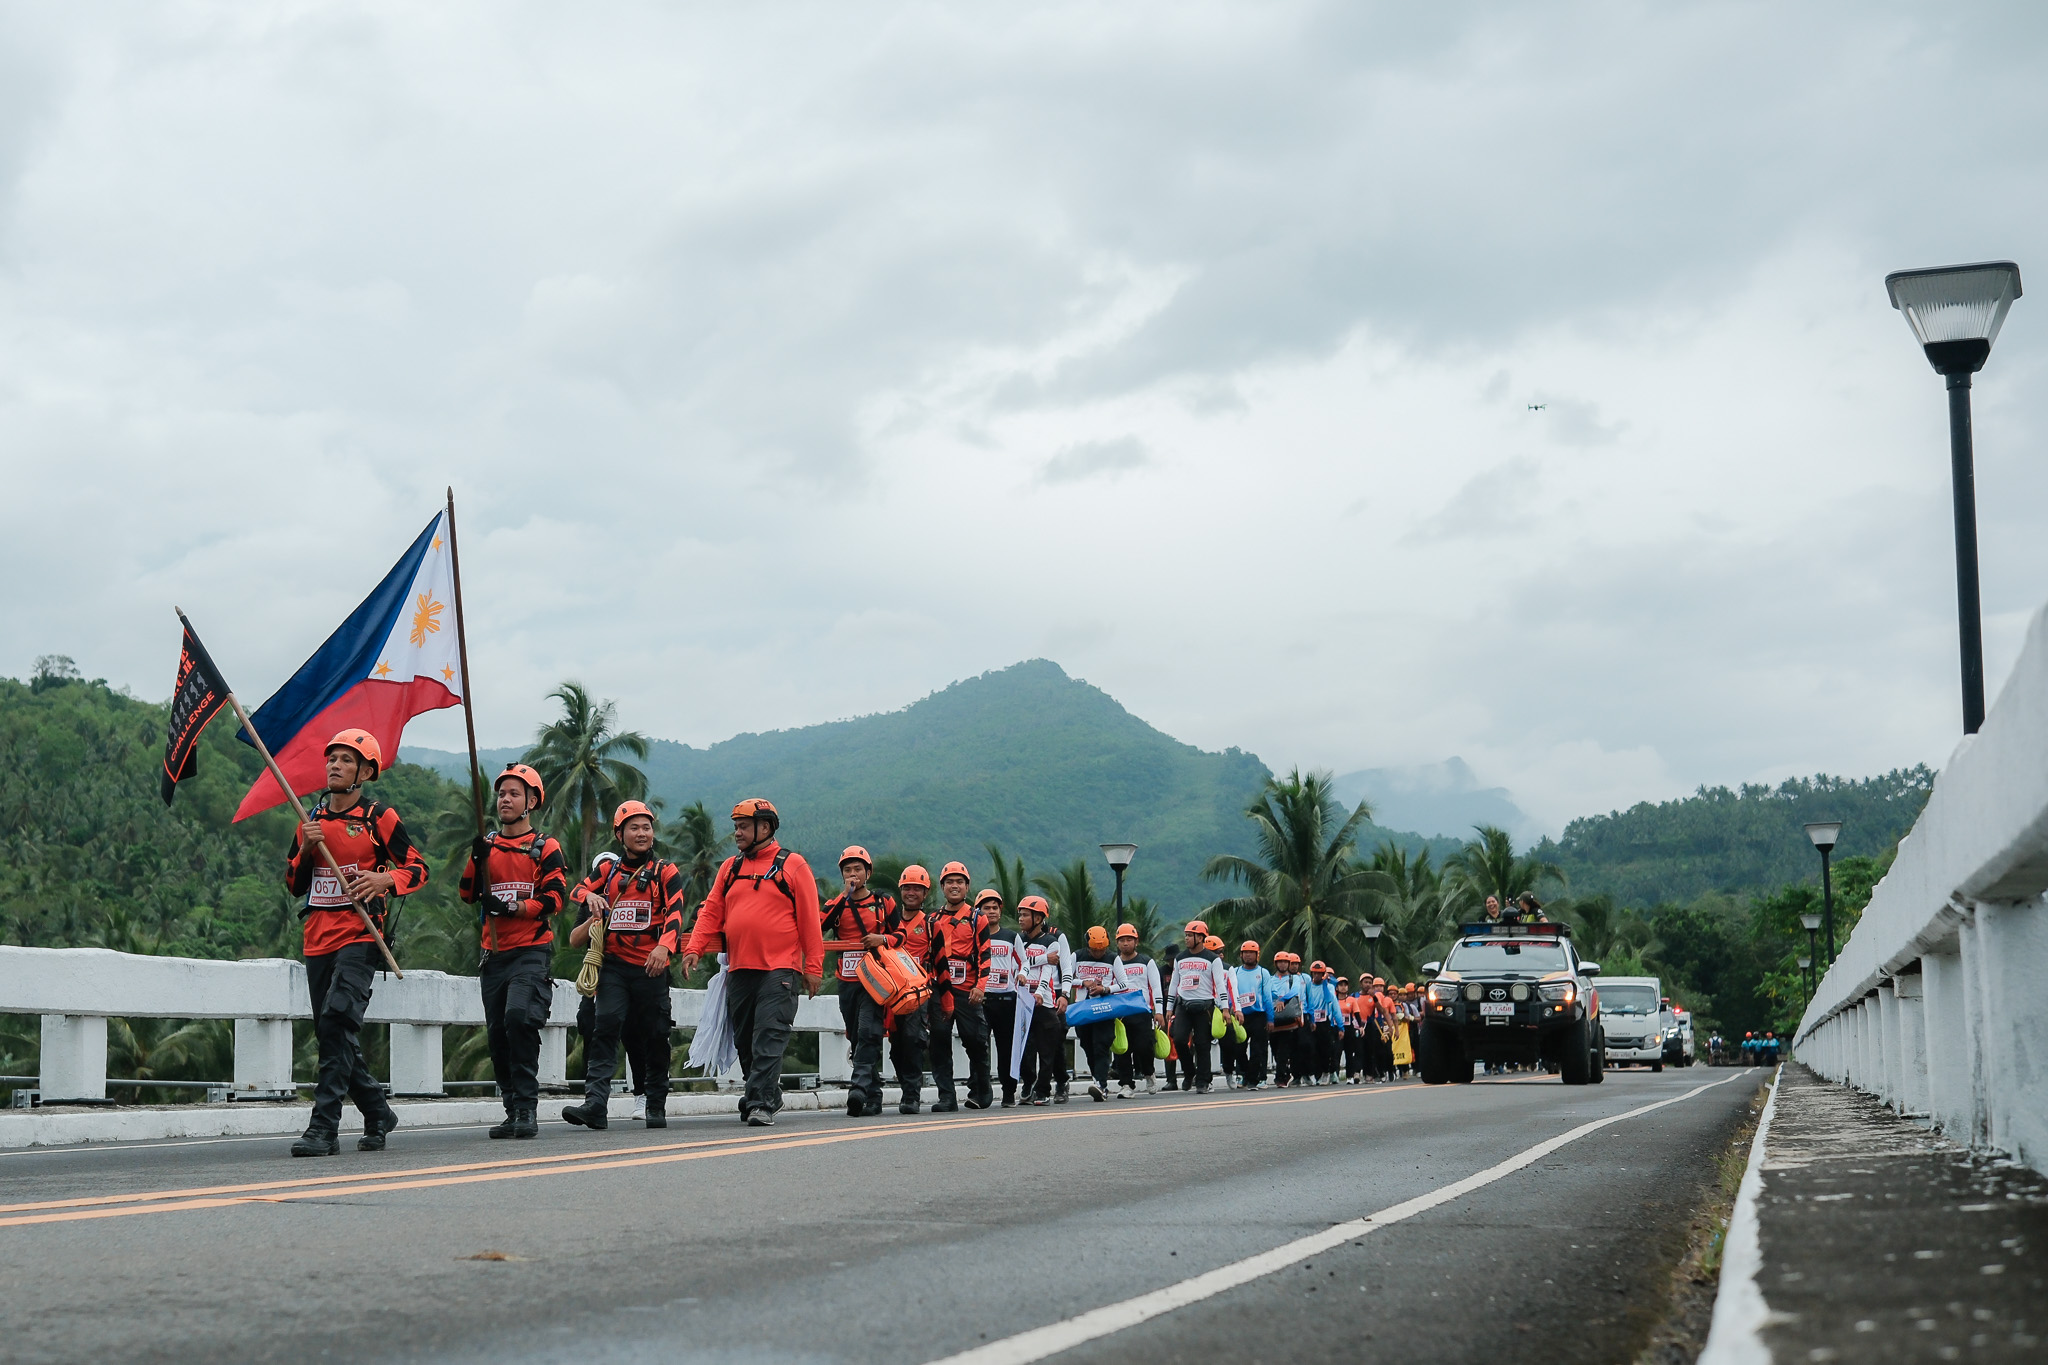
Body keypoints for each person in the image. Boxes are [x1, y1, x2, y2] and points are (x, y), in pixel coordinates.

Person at [285, 730, 427, 1157]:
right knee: (333, 1032)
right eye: (332, 759)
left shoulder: (378, 817)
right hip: (317, 940)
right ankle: (377, 1110)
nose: (334, 766)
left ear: (365, 771)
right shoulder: (308, 818)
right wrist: (306, 850)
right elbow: (294, 884)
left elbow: (418, 868)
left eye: (346, 760)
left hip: (363, 936)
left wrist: (385, 879)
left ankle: (323, 1128)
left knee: (338, 1020)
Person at [679, 798, 823, 1128]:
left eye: (743, 827)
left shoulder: (793, 865)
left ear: (765, 827)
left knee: (768, 1036)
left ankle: (759, 1102)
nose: (737, 833)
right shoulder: (730, 868)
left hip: (781, 968)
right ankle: (766, 1093)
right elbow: (712, 912)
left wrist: (814, 968)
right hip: (740, 968)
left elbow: (810, 921)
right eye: (735, 827)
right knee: (745, 1040)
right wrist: (695, 948)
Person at [460, 763, 569, 1141]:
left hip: (531, 952)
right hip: (494, 954)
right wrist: (476, 862)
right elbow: (466, 893)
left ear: (532, 801)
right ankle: (511, 1109)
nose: (505, 799)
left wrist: (513, 908)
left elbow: (555, 898)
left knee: (519, 1018)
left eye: (514, 793)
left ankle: (527, 1107)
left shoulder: (544, 846)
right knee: (497, 1035)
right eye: (501, 793)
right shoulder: (487, 845)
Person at [562, 800, 683, 1131]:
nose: (642, 833)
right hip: (613, 967)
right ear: (619, 834)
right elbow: (576, 888)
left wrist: (664, 946)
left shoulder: (664, 871)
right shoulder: (608, 871)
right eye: (634, 828)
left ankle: (655, 1104)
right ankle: (595, 1105)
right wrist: (589, 897)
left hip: (651, 967)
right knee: (606, 1025)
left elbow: (676, 911)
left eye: (646, 827)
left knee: (656, 1035)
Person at [820, 845, 898, 1118]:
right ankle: (873, 1096)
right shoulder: (836, 903)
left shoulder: (883, 902)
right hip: (847, 978)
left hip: (876, 977)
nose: (853, 874)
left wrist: (883, 939)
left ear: (868, 872)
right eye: (847, 870)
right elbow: (820, 925)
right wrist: (844, 897)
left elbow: (902, 935)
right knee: (855, 1033)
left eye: (858, 869)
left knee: (869, 1030)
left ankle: (858, 1088)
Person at [926, 862, 994, 1112]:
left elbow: (986, 955)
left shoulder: (978, 918)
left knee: (976, 1040)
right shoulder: (932, 918)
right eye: (949, 882)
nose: (955, 886)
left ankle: (981, 1087)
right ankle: (947, 1096)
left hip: (968, 990)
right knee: (939, 1042)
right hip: (940, 991)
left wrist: (981, 986)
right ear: (942, 887)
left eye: (960, 882)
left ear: (967, 887)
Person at [881, 866, 940, 1114]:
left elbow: (941, 961)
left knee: (914, 1040)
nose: (911, 892)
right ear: (900, 890)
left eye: (917, 888)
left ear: (925, 893)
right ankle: (906, 1086)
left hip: (919, 993)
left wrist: (944, 998)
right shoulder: (888, 922)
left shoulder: (930, 924)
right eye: (907, 888)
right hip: (893, 992)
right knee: (896, 1044)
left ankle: (911, 1096)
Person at [1166, 921, 1237, 1095]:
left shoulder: (1213, 959)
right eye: (1186, 935)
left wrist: (1226, 1009)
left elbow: (1220, 985)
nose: (1187, 938)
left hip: (1205, 1006)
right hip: (1183, 1006)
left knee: (1202, 1044)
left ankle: (1203, 1081)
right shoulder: (1180, 958)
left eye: (1190, 935)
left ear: (1200, 937)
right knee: (1180, 1039)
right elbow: (1174, 983)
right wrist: (1169, 1008)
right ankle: (1190, 1073)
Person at [1015, 895, 1072, 1104]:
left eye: (1025, 915)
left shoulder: (1056, 938)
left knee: (1054, 1046)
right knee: (1027, 1047)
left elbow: (1065, 967)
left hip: (1051, 995)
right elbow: (1017, 963)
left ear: (1038, 918)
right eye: (1019, 914)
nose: (1020, 919)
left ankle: (1059, 1083)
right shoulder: (1019, 939)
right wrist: (1041, 959)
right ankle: (1030, 1084)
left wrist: (1065, 994)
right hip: (1025, 998)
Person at [1069, 926, 1132, 1101]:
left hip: (1105, 1009)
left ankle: (1101, 1085)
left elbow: (1124, 984)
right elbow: (1065, 978)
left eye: (1101, 950)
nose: (1098, 953)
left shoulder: (1113, 958)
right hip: (1083, 1009)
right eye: (1095, 950)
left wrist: (1105, 988)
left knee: (1101, 1045)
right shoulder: (1077, 956)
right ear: (1088, 947)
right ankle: (1097, 1079)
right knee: (1088, 1046)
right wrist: (1083, 982)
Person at [981, 890, 1028, 1107]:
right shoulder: (975, 935)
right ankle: (980, 1091)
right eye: (986, 908)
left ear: (1000, 911)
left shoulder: (1011, 936)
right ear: (978, 911)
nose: (990, 911)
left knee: (1006, 1048)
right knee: (978, 1046)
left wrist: (1022, 974)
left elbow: (1024, 962)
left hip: (1007, 999)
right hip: (982, 999)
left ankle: (1008, 1092)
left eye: (994, 908)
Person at [1111, 924, 1163, 1097]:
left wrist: (1159, 1011)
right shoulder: (1114, 962)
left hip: (1142, 1010)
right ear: (1117, 943)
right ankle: (1126, 1085)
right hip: (1120, 1012)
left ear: (1136, 942)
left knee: (1144, 1046)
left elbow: (1156, 987)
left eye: (1129, 940)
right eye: (1122, 940)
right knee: (1122, 1050)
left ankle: (1149, 1073)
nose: (1125, 943)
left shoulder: (1146, 962)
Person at [1225, 941, 1273, 1090]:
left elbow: (1267, 997)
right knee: (1238, 1048)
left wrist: (1270, 1018)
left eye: (1251, 952)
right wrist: (1229, 1008)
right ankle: (1245, 1073)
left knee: (1257, 1049)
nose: (1248, 955)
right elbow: (1230, 992)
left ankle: (1253, 1080)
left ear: (1257, 955)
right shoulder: (1236, 972)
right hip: (1240, 1016)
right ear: (1241, 955)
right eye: (1245, 952)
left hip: (1258, 1016)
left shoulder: (1263, 973)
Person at [1267, 953, 1308, 1086]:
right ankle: (1285, 1071)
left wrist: (1282, 1000)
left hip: (1289, 1021)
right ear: (1276, 964)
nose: (1283, 964)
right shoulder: (1271, 979)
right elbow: (1268, 992)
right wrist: (1277, 998)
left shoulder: (1294, 978)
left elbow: (1295, 991)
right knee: (1274, 1050)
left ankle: (1280, 1078)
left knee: (1284, 1050)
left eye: (1285, 962)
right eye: (1280, 962)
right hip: (1274, 1019)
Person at [1305, 961, 1341, 1085]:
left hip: (1325, 1021)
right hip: (1312, 1020)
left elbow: (1328, 1000)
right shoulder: (1308, 986)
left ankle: (1326, 1072)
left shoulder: (1329, 987)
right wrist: (1311, 1020)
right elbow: (1308, 1002)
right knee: (1313, 1049)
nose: (1316, 976)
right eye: (1314, 973)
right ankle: (1317, 1074)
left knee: (1325, 1049)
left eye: (1319, 974)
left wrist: (1325, 984)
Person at [1335, 977, 1365, 1082]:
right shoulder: (1333, 999)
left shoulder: (1351, 1000)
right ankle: (1335, 1075)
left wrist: (1361, 1027)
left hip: (1349, 1028)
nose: (1343, 987)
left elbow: (1357, 1014)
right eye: (1341, 985)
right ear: (1337, 987)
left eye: (1345, 985)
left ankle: (1350, 1076)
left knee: (1349, 1053)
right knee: (1336, 1052)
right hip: (1336, 1029)